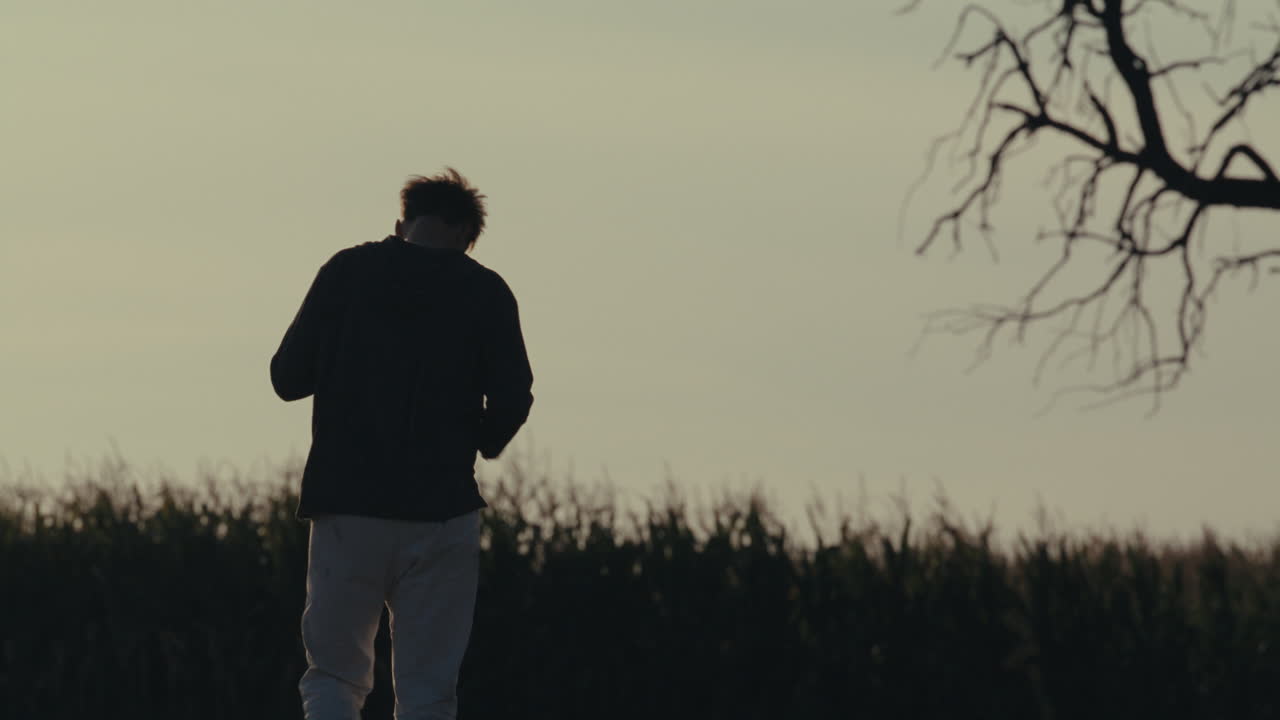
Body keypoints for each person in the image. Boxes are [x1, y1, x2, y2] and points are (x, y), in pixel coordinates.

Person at [269, 167, 534, 720]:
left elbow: (287, 377)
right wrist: (479, 441)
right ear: (468, 235)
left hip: (347, 506)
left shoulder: (347, 272)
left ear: (402, 222)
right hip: (443, 511)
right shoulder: (486, 291)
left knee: (335, 676)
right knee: (428, 689)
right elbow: (514, 398)